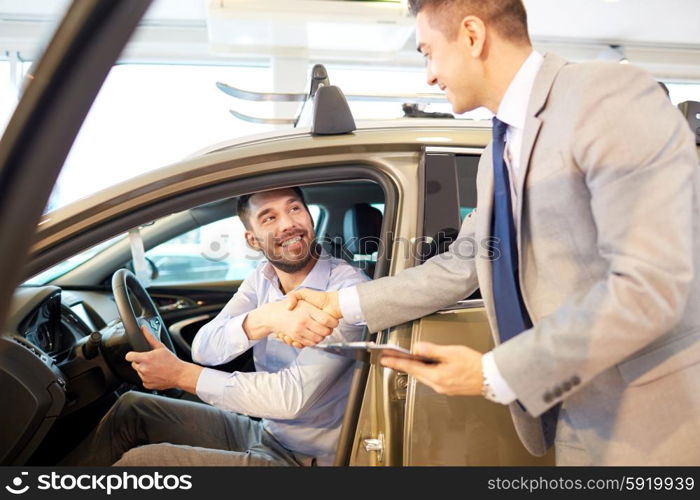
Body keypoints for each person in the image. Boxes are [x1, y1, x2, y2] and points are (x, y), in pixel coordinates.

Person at [282, 0, 700, 465]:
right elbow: (463, 263)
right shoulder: (495, 153)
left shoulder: (606, 97)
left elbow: (651, 284)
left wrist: (493, 372)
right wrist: (340, 304)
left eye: (427, 53)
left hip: (654, 416)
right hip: (573, 411)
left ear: (473, 36)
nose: (429, 77)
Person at [62, 187, 368, 466]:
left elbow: (291, 399)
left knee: (142, 464)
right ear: (252, 239)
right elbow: (205, 348)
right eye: (269, 217)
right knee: (132, 410)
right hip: (269, 434)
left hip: (307, 460)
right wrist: (265, 318)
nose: (287, 223)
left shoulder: (346, 293)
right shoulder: (262, 278)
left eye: (294, 209)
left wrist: (181, 376)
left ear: (309, 217)